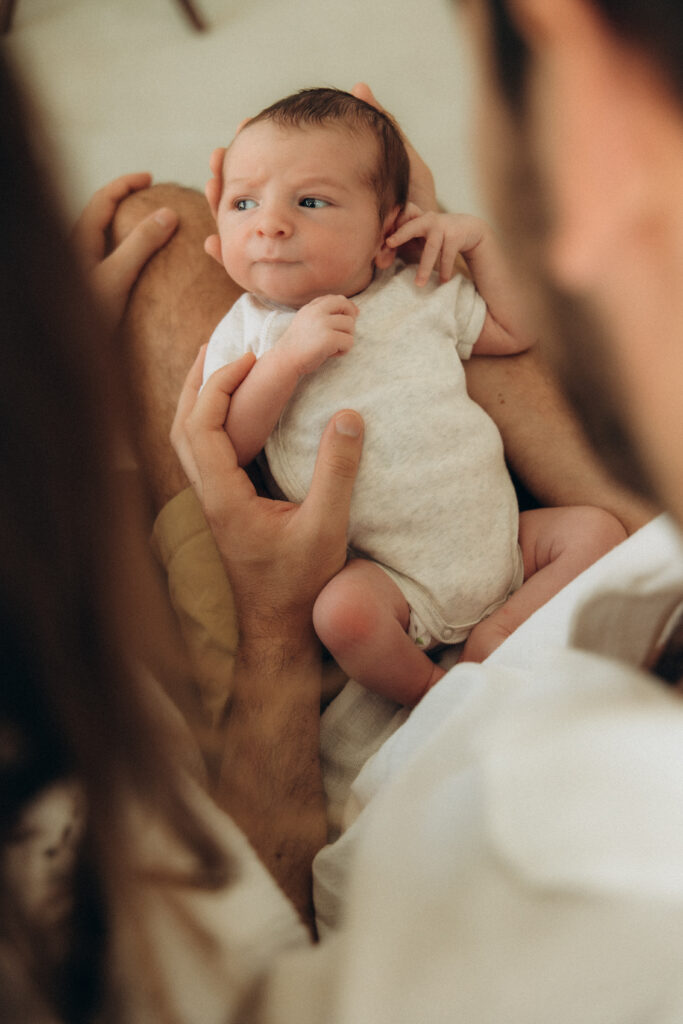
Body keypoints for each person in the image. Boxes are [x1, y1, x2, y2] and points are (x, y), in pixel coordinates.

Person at [200, 86, 626, 704]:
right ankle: (432, 690)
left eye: (310, 200)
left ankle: (502, 631)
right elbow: (230, 441)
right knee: (342, 616)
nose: (268, 223)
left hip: (508, 541)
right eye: (242, 202)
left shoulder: (419, 290)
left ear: (385, 233)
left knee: (598, 530)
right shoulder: (249, 328)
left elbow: (514, 333)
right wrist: (288, 361)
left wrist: (479, 243)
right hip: (396, 581)